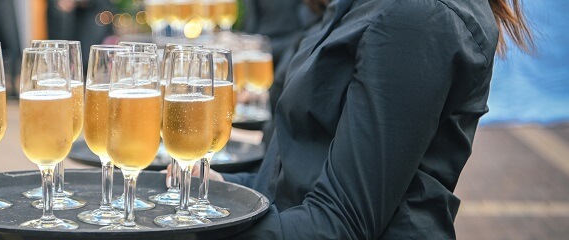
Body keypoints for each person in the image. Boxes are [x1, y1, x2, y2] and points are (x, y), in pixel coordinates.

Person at [188, 0, 533, 238]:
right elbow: (294, 173)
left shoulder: (420, 16)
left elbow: (342, 223)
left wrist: (190, 231)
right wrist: (216, 192)